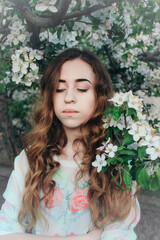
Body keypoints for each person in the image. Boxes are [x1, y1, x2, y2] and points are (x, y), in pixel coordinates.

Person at [0, 48, 140, 240]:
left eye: (82, 88)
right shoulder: (30, 160)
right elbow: (5, 232)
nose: (69, 97)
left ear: (100, 95)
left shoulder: (118, 164)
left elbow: (118, 236)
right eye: (59, 88)